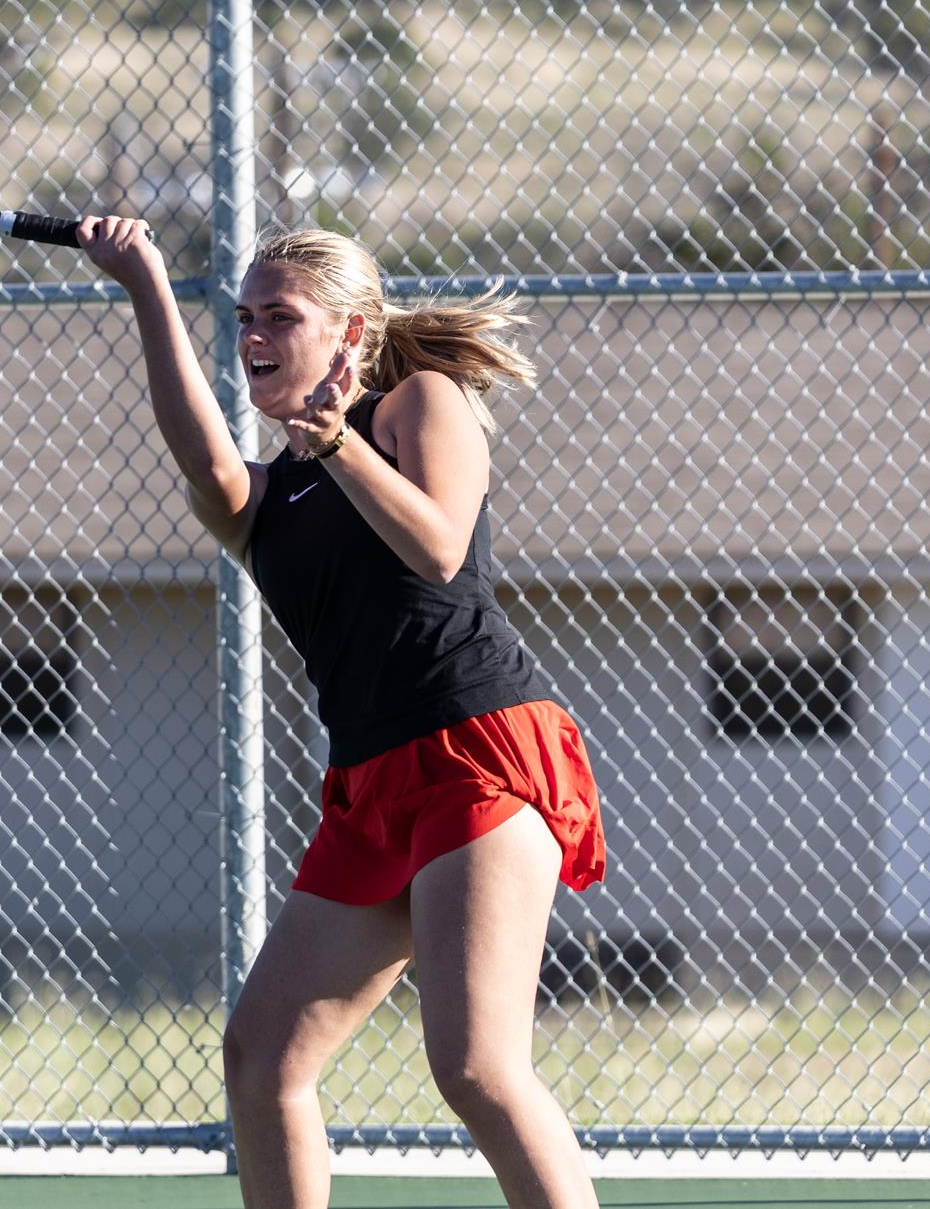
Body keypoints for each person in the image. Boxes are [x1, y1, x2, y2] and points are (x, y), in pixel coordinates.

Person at [78, 217, 607, 1209]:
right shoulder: (261, 500)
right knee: (264, 1057)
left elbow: (440, 548)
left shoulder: (420, 404)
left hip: (478, 753)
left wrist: (338, 447)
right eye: (242, 319)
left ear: (350, 334)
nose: (251, 337)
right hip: (370, 783)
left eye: (278, 316)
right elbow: (204, 458)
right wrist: (144, 282)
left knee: (475, 1067)